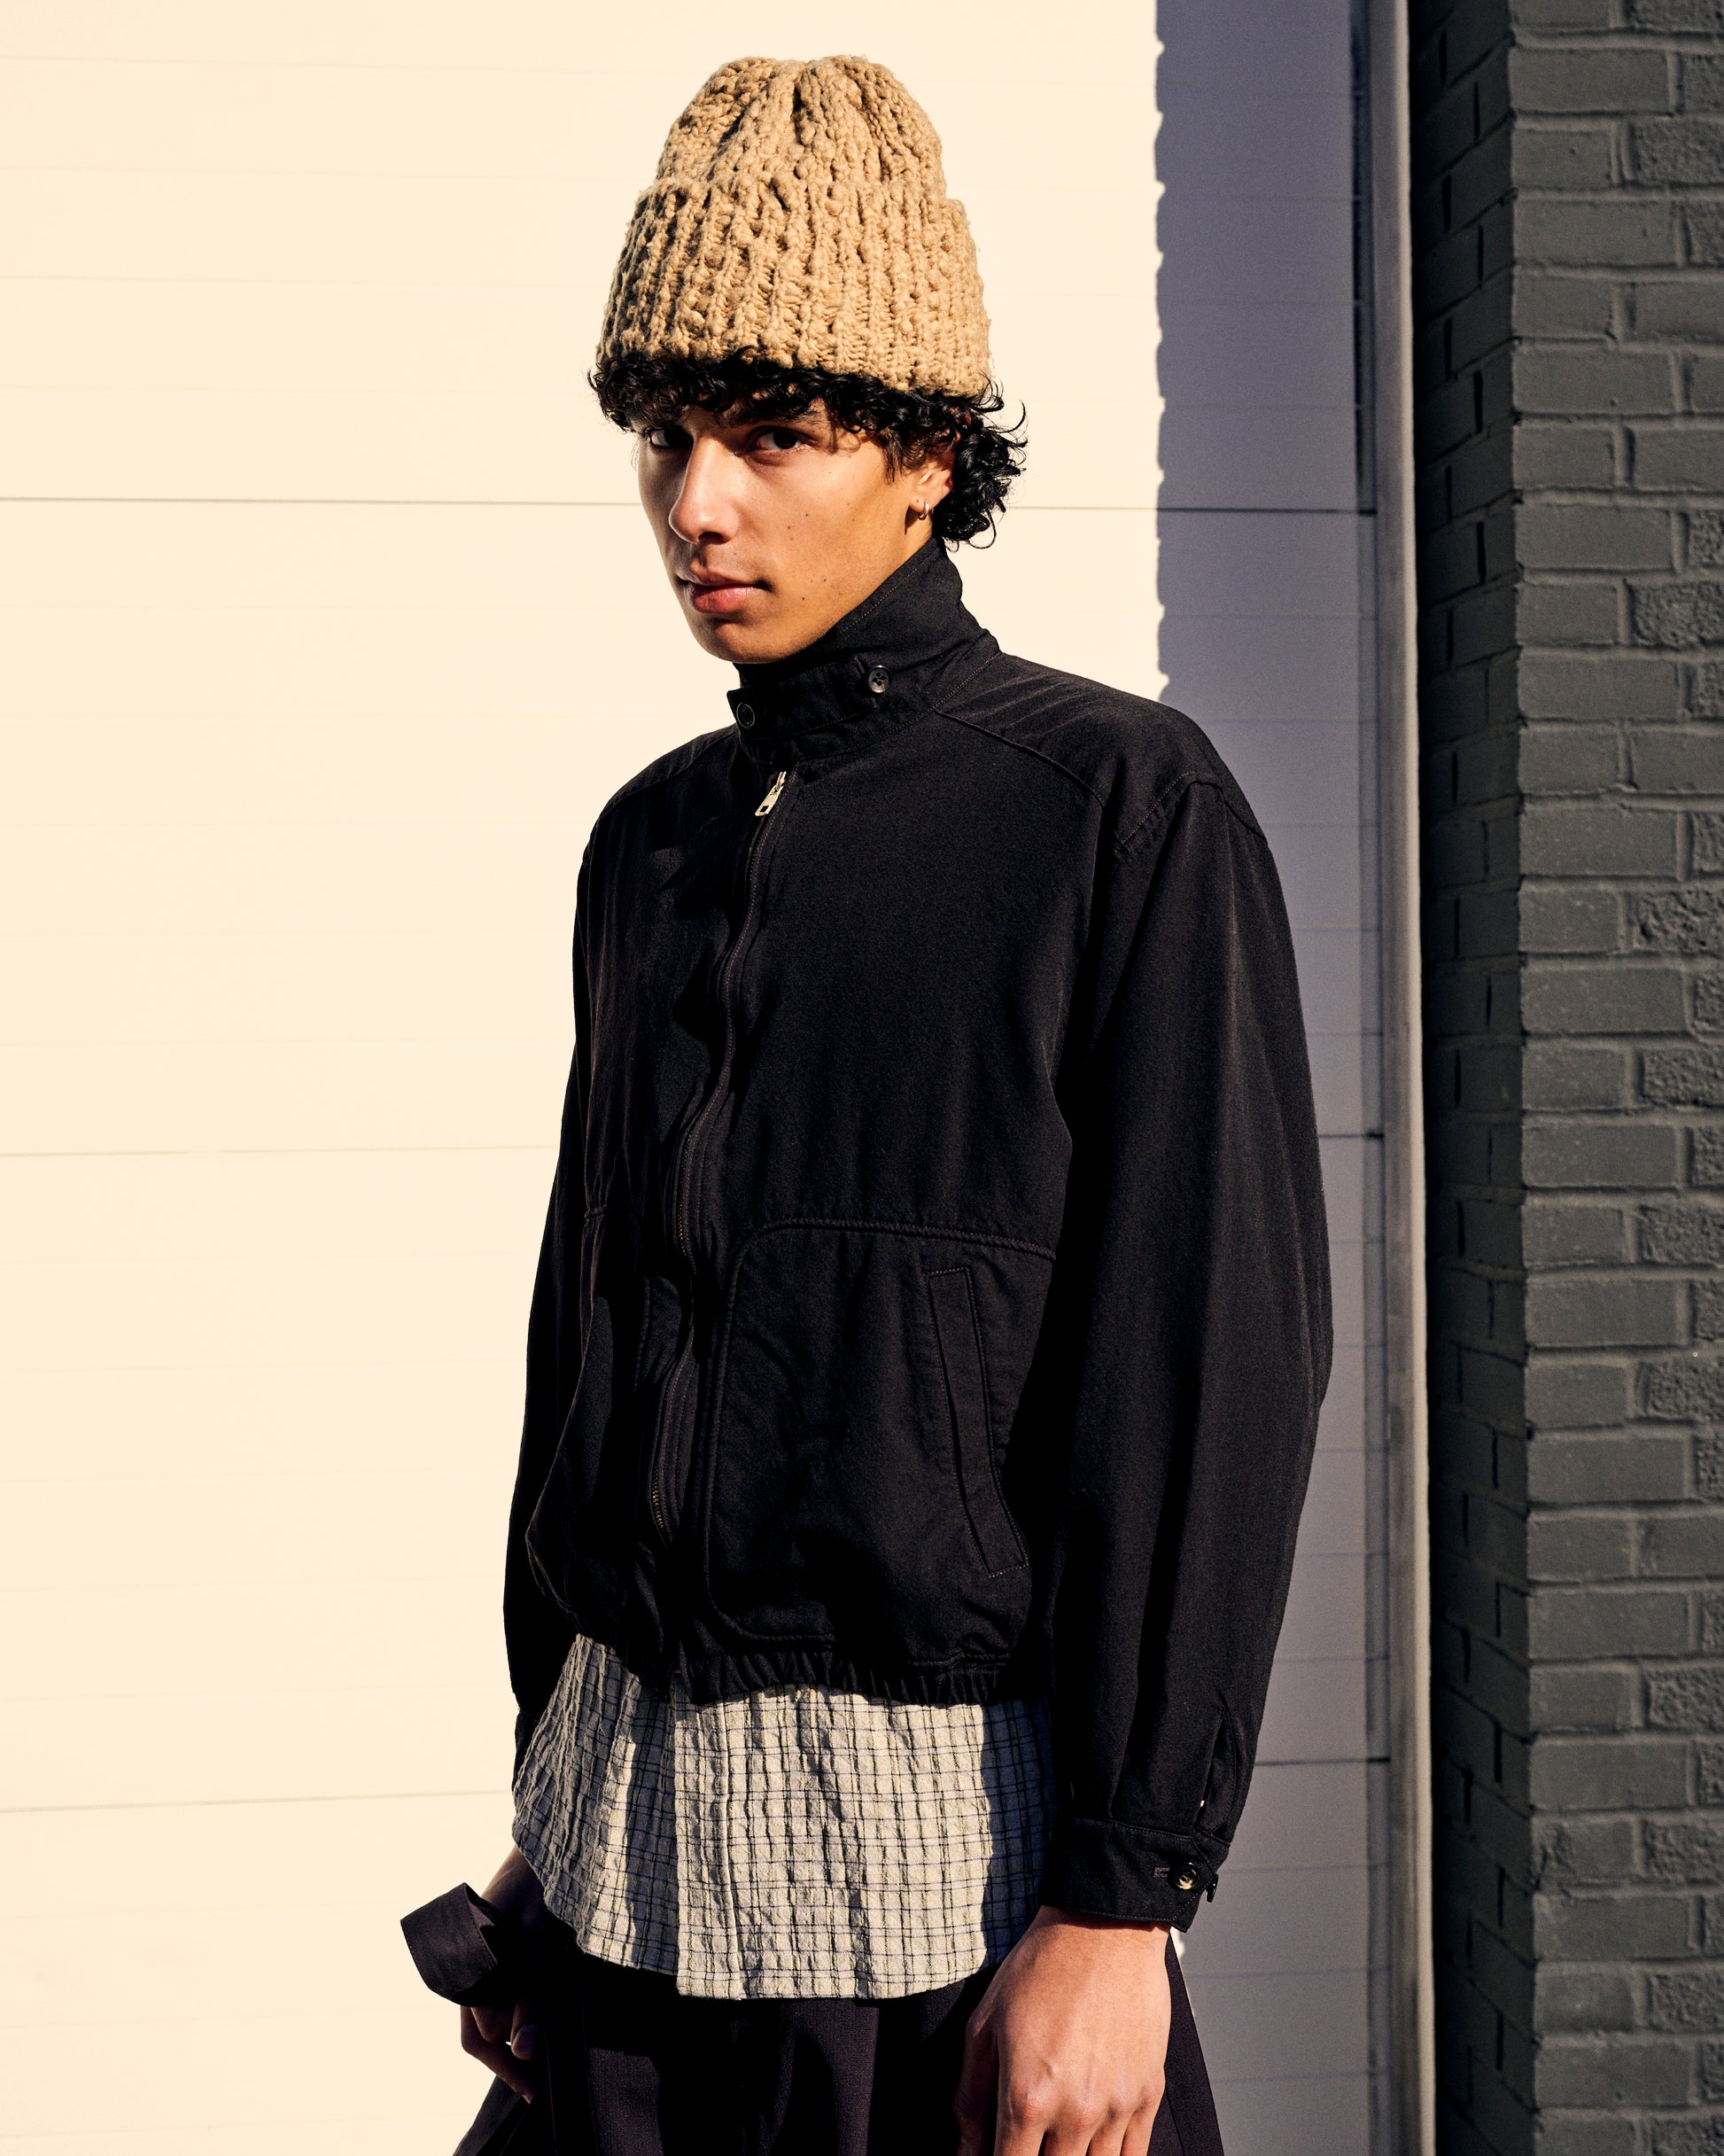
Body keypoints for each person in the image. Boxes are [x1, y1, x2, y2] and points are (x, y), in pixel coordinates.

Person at [454, 52, 1332, 2156]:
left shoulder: (1113, 811)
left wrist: (1122, 1896)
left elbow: (1203, 1371)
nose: (699, 505)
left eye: (773, 435)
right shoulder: (652, 842)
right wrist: (559, 1804)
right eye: (664, 437)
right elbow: (594, 1340)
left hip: (943, 1917)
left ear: (927, 454)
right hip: (622, 1886)